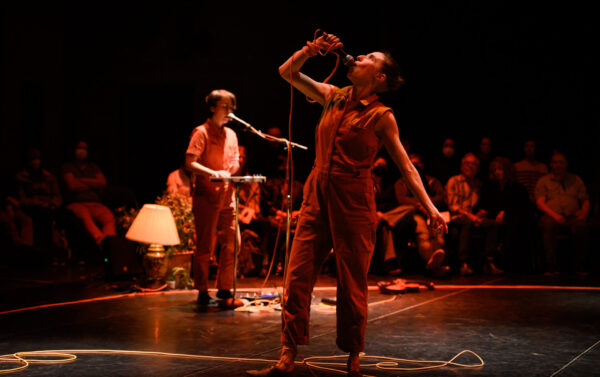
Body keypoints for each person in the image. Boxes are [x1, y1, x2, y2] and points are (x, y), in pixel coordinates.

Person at [247, 33, 447, 377]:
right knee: (297, 275)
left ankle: (353, 359)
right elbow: (287, 72)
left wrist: (430, 208)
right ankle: (287, 354)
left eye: (368, 56)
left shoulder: (382, 115)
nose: (359, 57)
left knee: (352, 281)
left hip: (354, 198)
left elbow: (406, 166)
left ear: (379, 77)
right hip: (317, 193)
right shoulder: (332, 97)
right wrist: (310, 51)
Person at [185, 89, 240, 307]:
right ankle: (202, 290)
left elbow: (235, 161)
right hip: (207, 195)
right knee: (205, 244)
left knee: (232, 242)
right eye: (225, 107)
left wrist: (233, 169)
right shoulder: (201, 132)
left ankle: (225, 289)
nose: (229, 111)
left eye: (231, 107)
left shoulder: (232, 134)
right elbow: (190, 162)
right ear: (212, 108)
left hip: (228, 195)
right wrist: (213, 173)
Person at [446, 153, 502, 275]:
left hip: (474, 217)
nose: (470, 166)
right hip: (458, 217)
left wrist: (481, 213)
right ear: (462, 166)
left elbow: (481, 204)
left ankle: (489, 261)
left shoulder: (478, 184)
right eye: (467, 163)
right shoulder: (454, 181)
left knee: (493, 224)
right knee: (467, 223)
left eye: (474, 164)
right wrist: (471, 216)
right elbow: (453, 206)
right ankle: (463, 263)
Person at [535, 151, 589, 275]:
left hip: (572, 215)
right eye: (555, 162)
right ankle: (551, 266)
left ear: (566, 164)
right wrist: (555, 215)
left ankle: (579, 266)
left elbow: (585, 199)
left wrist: (584, 213)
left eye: (561, 162)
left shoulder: (576, 179)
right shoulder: (544, 181)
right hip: (551, 215)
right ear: (551, 164)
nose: (558, 165)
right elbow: (540, 202)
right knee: (548, 225)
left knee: (581, 226)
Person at [478, 156, 534, 272]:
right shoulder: (490, 186)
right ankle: (494, 257)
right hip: (495, 219)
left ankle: (504, 253)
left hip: (515, 219)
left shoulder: (517, 188)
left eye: (500, 169)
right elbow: (486, 205)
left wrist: (506, 212)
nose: (497, 172)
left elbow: (523, 207)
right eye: (494, 170)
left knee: (513, 220)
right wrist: (485, 212)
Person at [61, 140, 116, 248]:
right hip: (76, 204)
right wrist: (93, 183)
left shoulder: (93, 166)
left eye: (84, 148)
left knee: (109, 217)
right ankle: (102, 243)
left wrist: (80, 180)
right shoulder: (67, 166)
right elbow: (72, 186)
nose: (82, 151)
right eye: (79, 148)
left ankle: (110, 243)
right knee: (85, 217)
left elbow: (102, 183)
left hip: (95, 203)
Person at [15, 148, 63, 251]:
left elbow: (57, 195)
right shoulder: (21, 177)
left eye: (37, 158)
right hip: (32, 208)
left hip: (49, 207)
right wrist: (36, 203)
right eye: (33, 159)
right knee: (43, 216)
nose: (36, 162)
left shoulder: (50, 177)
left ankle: (58, 249)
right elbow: (22, 198)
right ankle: (44, 250)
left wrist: (53, 204)